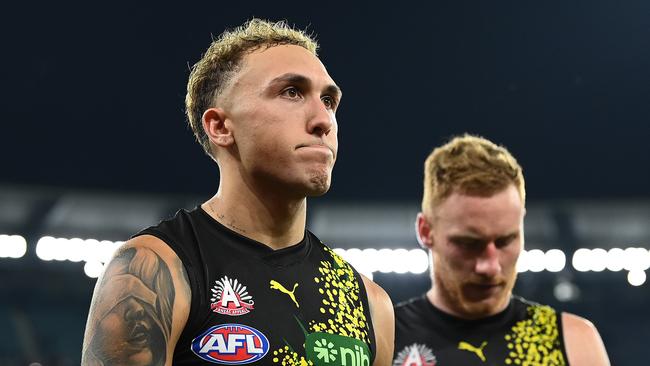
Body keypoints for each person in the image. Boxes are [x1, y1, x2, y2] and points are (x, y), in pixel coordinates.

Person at [82, 19, 394, 366]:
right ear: (220, 126)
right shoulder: (155, 271)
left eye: (329, 100)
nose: (324, 120)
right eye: (291, 92)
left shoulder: (367, 301)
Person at [393, 135, 610, 366]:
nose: (489, 266)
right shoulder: (384, 338)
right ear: (426, 231)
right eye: (469, 243)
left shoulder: (574, 344)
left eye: (505, 240)